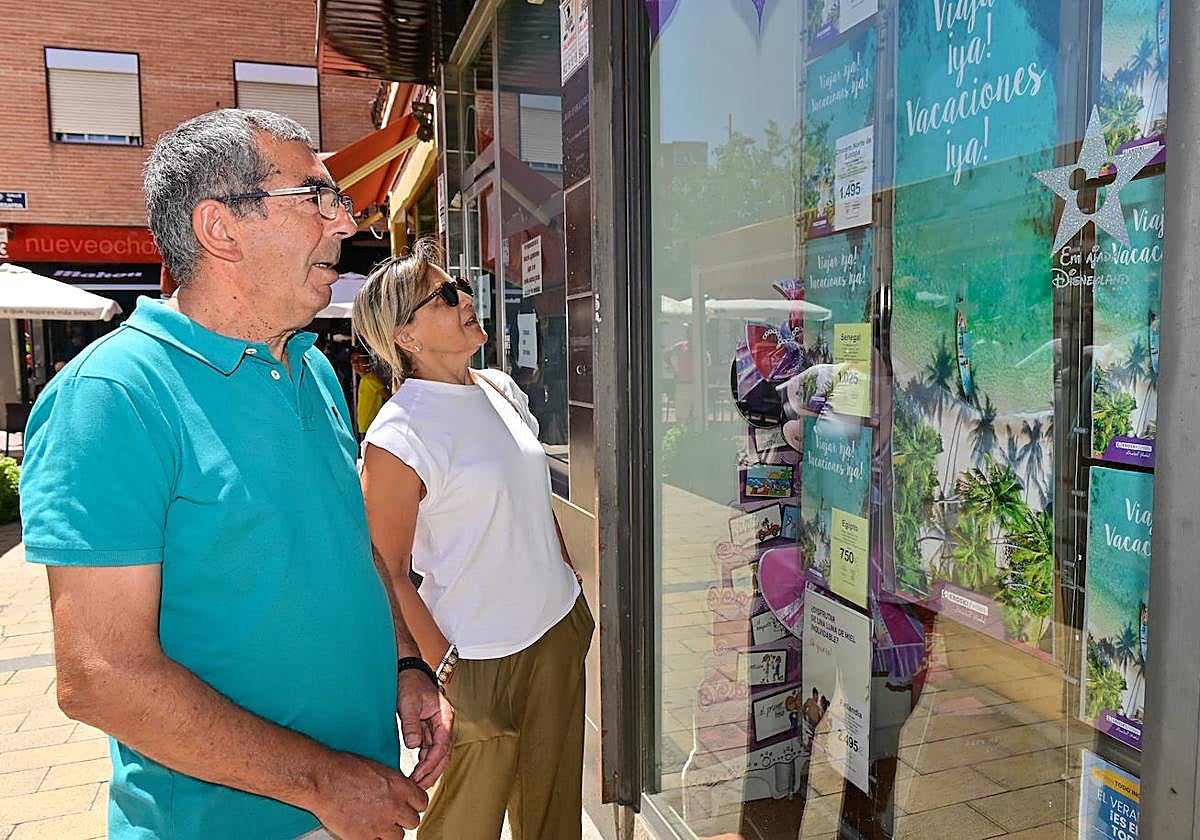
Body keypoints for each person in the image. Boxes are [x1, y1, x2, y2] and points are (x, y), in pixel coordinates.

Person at [19, 109, 452, 840]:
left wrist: (404, 664)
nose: (344, 224)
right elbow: (101, 675)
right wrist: (323, 780)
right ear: (220, 229)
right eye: (314, 198)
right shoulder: (113, 396)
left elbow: (352, 543)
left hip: (357, 794)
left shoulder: (312, 366)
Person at [352, 238, 594, 840]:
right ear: (406, 337)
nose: (465, 299)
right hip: (475, 661)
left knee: (553, 820)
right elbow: (386, 567)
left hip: (554, 634)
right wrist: (444, 669)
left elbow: (531, 494)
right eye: (444, 295)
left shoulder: (499, 390)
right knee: (462, 827)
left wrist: (568, 581)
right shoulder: (398, 435)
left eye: (460, 286)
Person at [352, 348, 390, 434]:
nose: (355, 363)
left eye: (359, 359)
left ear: (368, 361)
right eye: (353, 360)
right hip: (366, 426)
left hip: (371, 426)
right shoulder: (364, 379)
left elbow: (387, 396)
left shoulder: (370, 379)